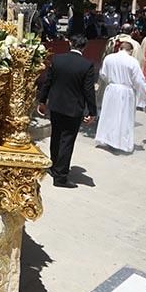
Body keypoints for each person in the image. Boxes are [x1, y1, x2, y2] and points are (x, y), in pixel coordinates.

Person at [37, 34, 97, 188]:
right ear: (84, 47)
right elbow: (88, 91)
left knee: (56, 136)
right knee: (67, 141)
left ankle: (54, 164)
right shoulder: (86, 65)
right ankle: (61, 177)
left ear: (70, 44)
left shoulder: (57, 59)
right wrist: (92, 111)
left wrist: (42, 101)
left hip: (56, 106)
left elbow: (47, 82)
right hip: (73, 108)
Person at [94, 42, 146, 153]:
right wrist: (142, 95)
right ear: (131, 51)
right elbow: (139, 81)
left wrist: (111, 81)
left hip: (112, 89)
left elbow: (103, 74)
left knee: (109, 115)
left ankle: (106, 138)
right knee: (123, 116)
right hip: (126, 91)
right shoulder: (132, 61)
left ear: (120, 48)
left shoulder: (109, 58)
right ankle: (120, 142)